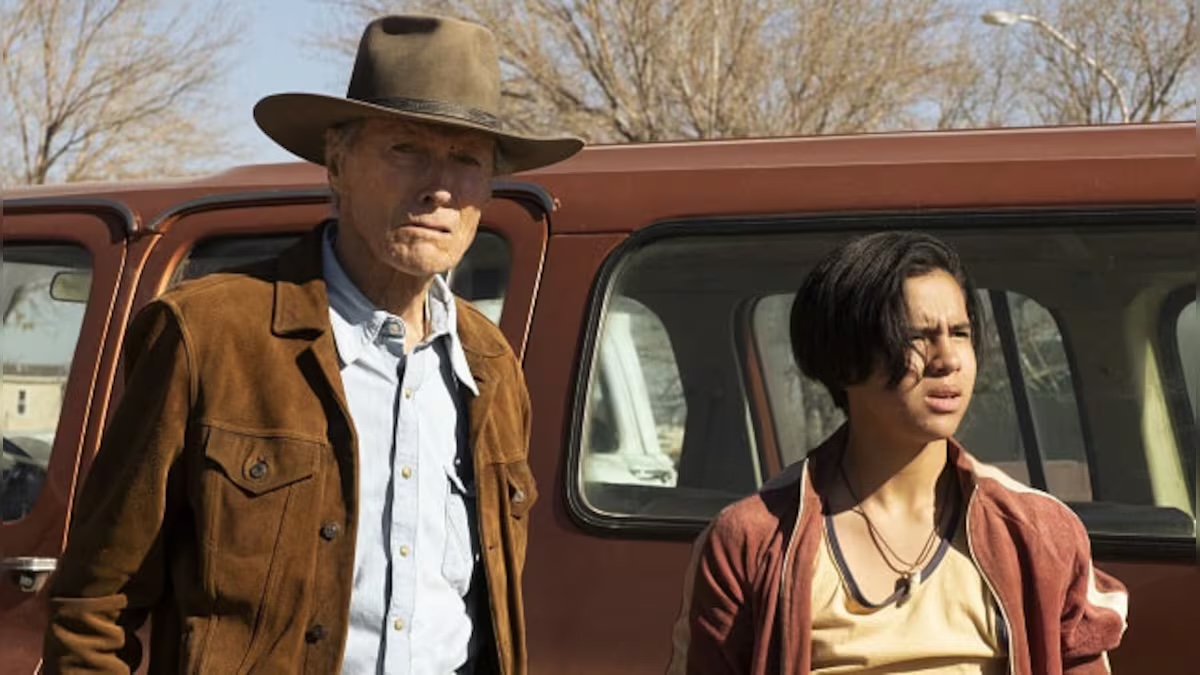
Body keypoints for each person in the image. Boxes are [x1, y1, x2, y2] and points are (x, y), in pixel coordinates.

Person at [43, 15, 581, 675]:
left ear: (487, 190)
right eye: (407, 149)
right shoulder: (207, 336)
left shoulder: (491, 366)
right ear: (336, 162)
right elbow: (95, 608)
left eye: (467, 160)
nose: (440, 185)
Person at [668, 231, 1128, 674]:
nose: (947, 358)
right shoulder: (751, 542)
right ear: (844, 356)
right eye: (916, 336)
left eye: (961, 332)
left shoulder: (1038, 533)